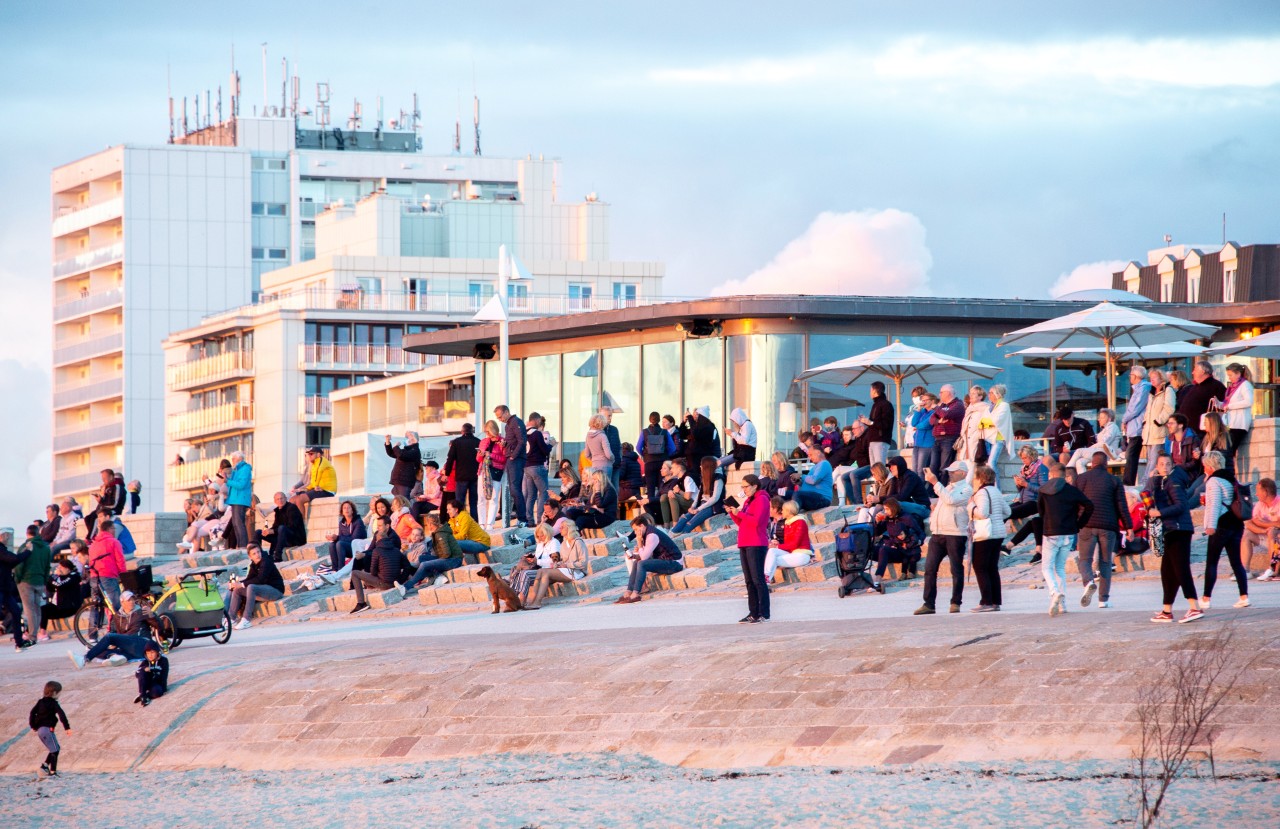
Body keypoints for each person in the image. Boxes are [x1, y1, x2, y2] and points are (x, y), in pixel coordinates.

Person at [1147, 454, 1203, 623]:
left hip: (1179, 529)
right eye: (1161, 464)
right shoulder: (1162, 480)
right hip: (1171, 530)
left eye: (1168, 464)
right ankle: (1167, 610)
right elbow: (1147, 491)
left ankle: (1194, 607)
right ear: (1156, 466)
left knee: (1181, 569)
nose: (1165, 466)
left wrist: (1160, 513)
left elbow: (1181, 505)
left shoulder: (1174, 481)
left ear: (1172, 466)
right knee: (1167, 571)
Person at [914, 461, 973, 615]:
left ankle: (955, 602)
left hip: (955, 534)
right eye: (950, 471)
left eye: (954, 471)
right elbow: (945, 501)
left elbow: (951, 500)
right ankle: (929, 603)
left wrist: (934, 482)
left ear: (963, 473)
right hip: (938, 533)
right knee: (929, 569)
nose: (950, 473)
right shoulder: (947, 487)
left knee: (956, 569)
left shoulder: (967, 489)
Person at [1076, 452, 1131, 610]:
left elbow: (1075, 502)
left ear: (1091, 463)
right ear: (1106, 464)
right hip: (1108, 526)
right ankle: (1103, 600)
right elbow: (1122, 506)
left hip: (1086, 524)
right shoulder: (1114, 480)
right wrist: (1129, 527)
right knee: (1105, 563)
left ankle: (1089, 582)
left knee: (1085, 560)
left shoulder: (1081, 479)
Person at [1038, 462, 1093, 617]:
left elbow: (1040, 511)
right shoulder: (1072, 490)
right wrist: (1079, 524)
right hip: (1068, 533)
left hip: (1050, 532)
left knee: (1046, 568)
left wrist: (1047, 522)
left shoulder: (1043, 490)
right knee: (1060, 568)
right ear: (1064, 475)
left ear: (1051, 474)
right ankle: (1062, 605)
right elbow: (1089, 506)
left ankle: (1055, 592)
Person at [1200, 451, 1249, 610]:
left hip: (1222, 524)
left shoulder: (1214, 481)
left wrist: (1210, 526)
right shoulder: (1231, 478)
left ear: (1209, 466)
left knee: (1212, 561)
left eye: (1204, 466)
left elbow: (1214, 505)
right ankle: (1244, 596)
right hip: (1236, 524)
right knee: (1236, 562)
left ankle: (1206, 598)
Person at [69, 589, 157, 667]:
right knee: (98, 650)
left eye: (133, 599)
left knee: (109, 637)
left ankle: (84, 659)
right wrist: (114, 644)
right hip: (129, 648)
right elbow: (115, 632)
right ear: (122, 603)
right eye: (128, 600)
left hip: (142, 643)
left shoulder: (142, 611)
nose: (132, 602)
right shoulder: (117, 616)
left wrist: (152, 615)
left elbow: (160, 627)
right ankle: (118, 656)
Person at [728, 474, 770, 623]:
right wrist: (733, 514)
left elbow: (756, 522)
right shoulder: (748, 501)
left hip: (757, 542)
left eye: (746, 486)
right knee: (749, 581)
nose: (744, 489)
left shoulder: (762, 499)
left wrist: (739, 513)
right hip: (745, 542)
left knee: (757, 579)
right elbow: (743, 523)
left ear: (754, 486)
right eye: (743, 487)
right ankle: (753, 612)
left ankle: (763, 612)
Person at [614, 514, 684, 605]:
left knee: (641, 564)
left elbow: (644, 558)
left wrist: (639, 542)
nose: (635, 533)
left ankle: (635, 594)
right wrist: (635, 556)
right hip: (665, 561)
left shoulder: (652, 535)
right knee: (636, 562)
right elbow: (647, 555)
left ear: (642, 526)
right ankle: (629, 591)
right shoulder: (647, 533)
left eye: (635, 529)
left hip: (674, 563)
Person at [968, 465, 1011, 612]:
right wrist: (997, 518)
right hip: (998, 533)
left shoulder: (981, 493)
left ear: (980, 478)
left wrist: (971, 507)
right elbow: (1008, 511)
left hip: (986, 534)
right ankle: (995, 601)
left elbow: (983, 513)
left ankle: (986, 601)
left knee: (980, 567)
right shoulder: (996, 491)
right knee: (992, 568)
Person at [524, 522, 589, 610]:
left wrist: (566, 565)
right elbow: (562, 560)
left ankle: (537, 602)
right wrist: (557, 564)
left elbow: (583, 562)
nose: (560, 529)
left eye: (562, 527)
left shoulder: (578, 542)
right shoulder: (564, 543)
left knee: (545, 573)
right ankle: (531, 600)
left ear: (569, 529)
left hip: (577, 571)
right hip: (565, 570)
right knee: (540, 571)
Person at [349, 518, 407, 614]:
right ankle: (354, 585)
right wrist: (400, 580)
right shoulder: (395, 550)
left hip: (384, 581)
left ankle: (361, 603)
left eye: (380, 525)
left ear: (387, 526)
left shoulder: (394, 539)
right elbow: (407, 567)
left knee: (355, 573)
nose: (378, 528)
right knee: (359, 558)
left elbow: (373, 572)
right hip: (394, 580)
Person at [397, 513, 464, 595]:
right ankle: (437, 576)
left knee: (425, 565)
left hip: (454, 560)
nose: (427, 526)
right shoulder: (437, 532)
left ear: (431, 524)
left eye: (427, 524)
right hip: (449, 558)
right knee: (423, 558)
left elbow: (446, 553)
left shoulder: (440, 534)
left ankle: (405, 587)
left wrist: (436, 560)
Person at [867, 498, 925, 592]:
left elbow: (921, 533)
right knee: (869, 549)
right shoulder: (887, 519)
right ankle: (859, 577)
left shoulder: (906, 518)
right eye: (884, 509)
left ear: (893, 508)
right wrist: (877, 522)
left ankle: (877, 580)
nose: (885, 511)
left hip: (905, 551)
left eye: (887, 509)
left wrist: (916, 542)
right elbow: (877, 533)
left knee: (884, 550)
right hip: (893, 548)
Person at [1003, 445, 1048, 561]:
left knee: (1009, 512)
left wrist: (1026, 484)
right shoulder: (1024, 469)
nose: (1023, 460)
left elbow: (1043, 489)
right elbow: (1021, 490)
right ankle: (996, 536)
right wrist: (1018, 484)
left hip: (1035, 502)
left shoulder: (1041, 468)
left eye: (1025, 458)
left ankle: (998, 540)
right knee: (1003, 510)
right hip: (1023, 500)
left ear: (1032, 456)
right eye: (1022, 458)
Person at [228, 545, 285, 630]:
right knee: (237, 590)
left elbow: (260, 579)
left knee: (251, 587)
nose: (257, 555)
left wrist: (242, 584)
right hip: (263, 591)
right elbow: (249, 579)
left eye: (258, 552)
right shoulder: (253, 565)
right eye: (254, 554)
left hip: (276, 591)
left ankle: (246, 619)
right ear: (250, 556)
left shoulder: (266, 562)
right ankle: (231, 619)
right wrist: (237, 584)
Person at [87, 519, 127, 633]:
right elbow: (120, 561)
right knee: (116, 606)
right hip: (108, 576)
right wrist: (123, 575)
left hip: (94, 577)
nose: (115, 531)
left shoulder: (93, 544)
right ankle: (115, 633)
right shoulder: (113, 542)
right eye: (114, 528)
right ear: (109, 529)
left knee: (95, 605)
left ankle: (92, 636)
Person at [15, 524, 52, 645]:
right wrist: (45, 579)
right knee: (37, 608)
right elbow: (47, 566)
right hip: (40, 581)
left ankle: (32, 635)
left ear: (27, 534)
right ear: (38, 533)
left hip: (26, 581)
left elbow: (19, 565)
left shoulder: (25, 546)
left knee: (29, 609)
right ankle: (35, 633)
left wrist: (17, 579)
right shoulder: (46, 548)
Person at [495, 405, 529, 527]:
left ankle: (523, 519)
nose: (500, 419)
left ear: (506, 412)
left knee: (515, 489)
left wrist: (513, 455)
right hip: (511, 458)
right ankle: (521, 518)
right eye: (498, 418)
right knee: (513, 490)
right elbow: (516, 441)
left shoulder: (515, 422)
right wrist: (505, 444)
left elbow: (522, 441)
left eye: (500, 416)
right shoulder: (509, 424)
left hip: (515, 459)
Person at [765, 500, 813, 584]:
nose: (781, 511)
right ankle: (766, 579)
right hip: (792, 553)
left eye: (783, 509)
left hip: (801, 555)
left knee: (772, 560)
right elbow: (788, 542)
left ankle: (765, 581)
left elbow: (795, 544)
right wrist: (777, 544)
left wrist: (777, 547)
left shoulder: (800, 522)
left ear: (789, 511)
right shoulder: (788, 523)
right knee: (772, 552)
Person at [29, 680, 71, 778]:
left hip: (40, 730)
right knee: (55, 750)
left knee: (55, 749)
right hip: (47, 730)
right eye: (60, 693)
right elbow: (62, 715)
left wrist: (33, 726)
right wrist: (67, 727)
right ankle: (53, 772)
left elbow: (32, 713)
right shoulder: (54, 703)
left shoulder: (40, 702)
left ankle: (45, 765)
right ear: (55, 693)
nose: (60, 695)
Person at [0, 528, 33, 651]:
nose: (9, 538)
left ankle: (19, 642)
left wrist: (24, 553)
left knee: (16, 612)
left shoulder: (3, 550)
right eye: (7, 536)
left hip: (5, 588)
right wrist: (28, 552)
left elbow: (11, 562)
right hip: (1, 588)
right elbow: (14, 559)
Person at [672, 458, 725, 533]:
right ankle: (672, 534)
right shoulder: (704, 477)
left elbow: (714, 498)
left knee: (690, 523)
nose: (700, 467)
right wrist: (692, 507)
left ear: (707, 467)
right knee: (684, 518)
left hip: (713, 506)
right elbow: (699, 495)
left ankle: (681, 538)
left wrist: (698, 509)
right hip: (701, 504)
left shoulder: (718, 478)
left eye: (702, 465)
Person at [1142, 369, 1176, 481]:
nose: (1151, 379)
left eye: (1154, 377)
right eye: (1150, 377)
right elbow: (1148, 410)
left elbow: (1169, 408)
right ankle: (1148, 482)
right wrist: (1145, 422)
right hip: (1149, 432)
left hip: (1159, 431)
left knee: (1154, 460)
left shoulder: (1168, 390)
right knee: (1150, 459)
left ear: (1161, 378)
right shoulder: (1152, 393)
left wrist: (1159, 421)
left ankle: (1146, 483)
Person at [1244, 478, 1280, 581]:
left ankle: (1273, 570)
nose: (1256, 494)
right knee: (1246, 533)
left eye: (1258, 490)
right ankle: (1245, 571)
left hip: (1276, 538)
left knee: (1273, 532)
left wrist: (1264, 524)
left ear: (1266, 492)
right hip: (1265, 535)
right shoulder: (1260, 504)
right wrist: (1265, 529)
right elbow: (1252, 522)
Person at [1066, 408, 1123, 474]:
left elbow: (1104, 442)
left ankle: (1066, 473)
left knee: (1079, 451)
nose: (1099, 419)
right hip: (1099, 452)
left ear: (1109, 419)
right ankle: (1082, 480)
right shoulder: (1104, 430)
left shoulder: (1112, 427)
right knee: (1079, 462)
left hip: (1107, 453)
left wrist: (1089, 448)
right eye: (1099, 417)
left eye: (1102, 418)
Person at [1177, 360, 1228, 433]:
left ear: (1203, 371)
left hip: (1202, 430)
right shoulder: (1196, 386)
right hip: (1188, 429)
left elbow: (1223, 406)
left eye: (1195, 370)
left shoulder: (1216, 386)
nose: (1192, 372)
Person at [638, 411, 676, 510]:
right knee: (662, 488)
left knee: (650, 489)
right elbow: (672, 448)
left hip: (649, 463)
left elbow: (638, 447)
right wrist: (666, 455)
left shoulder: (644, 432)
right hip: (662, 463)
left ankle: (651, 514)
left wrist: (646, 456)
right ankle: (661, 512)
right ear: (659, 420)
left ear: (650, 420)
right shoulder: (664, 432)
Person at [444, 422, 482, 518]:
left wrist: (446, 473)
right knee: (474, 502)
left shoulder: (457, 442)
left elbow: (450, 458)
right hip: (475, 475)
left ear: (462, 431)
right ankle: (474, 523)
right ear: (472, 431)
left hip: (461, 476)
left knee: (460, 502)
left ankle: (460, 522)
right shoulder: (478, 441)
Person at [1121, 366, 1151, 486]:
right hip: (1134, 428)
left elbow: (1135, 408)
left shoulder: (1143, 388)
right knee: (1130, 456)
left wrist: (1124, 419)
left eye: (1130, 375)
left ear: (1136, 376)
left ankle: (1128, 483)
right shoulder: (1139, 389)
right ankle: (1128, 482)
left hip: (1138, 428)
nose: (1129, 377)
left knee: (1131, 456)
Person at [1217, 363, 1254, 458]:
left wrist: (1230, 406)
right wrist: (1218, 403)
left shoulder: (1245, 385)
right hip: (1232, 423)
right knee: (1227, 450)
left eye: (1230, 375)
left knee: (1229, 451)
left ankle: (1229, 470)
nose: (1229, 378)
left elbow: (1248, 401)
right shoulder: (1232, 387)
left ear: (1238, 374)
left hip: (1239, 423)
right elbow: (1227, 405)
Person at [39, 559, 81, 640]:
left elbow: (59, 585)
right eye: (59, 567)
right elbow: (50, 588)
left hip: (69, 607)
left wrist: (52, 577)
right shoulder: (60, 577)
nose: (59, 569)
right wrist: (52, 578)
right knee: (40, 611)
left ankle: (42, 633)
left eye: (61, 567)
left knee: (43, 611)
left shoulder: (74, 576)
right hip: (59, 605)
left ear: (68, 569)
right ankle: (29, 632)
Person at [524, 412, 555, 521]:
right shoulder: (537, 434)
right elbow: (545, 450)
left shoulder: (524, 433)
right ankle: (540, 519)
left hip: (527, 467)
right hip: (537, 466)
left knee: (531, 496)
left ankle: (529, 519)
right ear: (536, 421)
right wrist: (551, 444)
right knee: (543, 493)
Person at [929, 384, 965, 475]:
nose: (939, 394)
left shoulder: (958, 405)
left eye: (941, 392)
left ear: (948, 393)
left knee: (944, 467)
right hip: (937, 439)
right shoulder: (942, 406)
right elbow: (932, 419)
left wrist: (936, 408)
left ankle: (943, 488)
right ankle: (933, 488)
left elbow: (946, 415)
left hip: (949, 438)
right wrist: (939, 421)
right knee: (933, 467)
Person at [478, 420, 508, 530]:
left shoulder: (502, 442)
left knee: (494, 498)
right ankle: (481, 523)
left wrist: (491, 455)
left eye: (488, 431)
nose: (487, 434)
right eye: (486, 432)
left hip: (496, 470)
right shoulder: (484, 441)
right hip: (483, 470)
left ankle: (490, 523)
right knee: (481, 498)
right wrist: (482, 452)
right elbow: (478, 459)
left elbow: (504, 459)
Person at [289, 447, 337, 513]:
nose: (309, 456)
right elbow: (312, 483)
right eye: (308, 454)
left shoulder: (321, 461)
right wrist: (301, 489)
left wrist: (316, 486)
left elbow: (318, 473)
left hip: (327, 490)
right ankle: (293, 521)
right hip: (320, 489)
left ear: (318, 455)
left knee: (300, 499)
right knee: (293, 499)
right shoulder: (314, 464)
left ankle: (301, 523)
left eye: (311, 454)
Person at [261, 492, 306, 561]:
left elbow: (292, 526)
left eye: (281, 498)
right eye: (278, 499)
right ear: (275, 501)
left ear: (286, 498)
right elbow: (276, 526)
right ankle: (259, 557)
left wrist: (274, 531)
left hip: (296, 539)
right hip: (283, 537)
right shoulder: (278, 511)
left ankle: (277, 556)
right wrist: (268, 531)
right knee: (258, 533)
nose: (280, 501)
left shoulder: (292, 508)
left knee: (282, 528)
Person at [84, 468, 126, 540]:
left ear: (111, 477)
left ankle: (89, 538)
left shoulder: (117, 487)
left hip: (113, 510)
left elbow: (114, 504)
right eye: (102, 478)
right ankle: (93, 536)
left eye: (105, 478)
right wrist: (100, 498)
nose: (103, 480)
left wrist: (101, 502)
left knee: (95, 517)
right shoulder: (108, 487)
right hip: (104, 509)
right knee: (87, 518)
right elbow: (105, 501)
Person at [959, 385, 992, 476]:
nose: (971, 395)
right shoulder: (969, 409)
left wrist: (978, 433)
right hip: (966, 444)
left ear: (980, 397)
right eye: (970, 393)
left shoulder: (985, 408)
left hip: (976, 441)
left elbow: (988, 424)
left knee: (971, 467)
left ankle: (967, 487)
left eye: (974, 393)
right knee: (965, 467)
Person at [861, 382, 896, 465]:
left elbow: (885, 424)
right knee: (874, 468)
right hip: (873, 439)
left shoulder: (886, 405)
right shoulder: (875, 405)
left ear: (874, 390)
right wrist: (867, 422)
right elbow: (874, 422)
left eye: (870, 390)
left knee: (880, 466)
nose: (870, 393)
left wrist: (870, 422)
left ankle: (883, 478)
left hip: (881, 439)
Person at [983, 384, 1013, 476]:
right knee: (987, 464)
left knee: (992, 463)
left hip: (998, 438)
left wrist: (986, 422)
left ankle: (997, 488)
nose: (989, 395)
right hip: (987, 438)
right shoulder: (989, 407)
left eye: (991, 393)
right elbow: (981, 422)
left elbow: (996, 420)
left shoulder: (1004, 405)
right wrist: (987, 422)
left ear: (998, 394)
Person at [225, 450, 254, 550]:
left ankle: (243, 545)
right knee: (235, 523)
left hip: (240, 499)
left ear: (239, 459)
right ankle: (240, 544)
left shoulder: (245, 469)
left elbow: (241, 485)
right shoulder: (236, 469)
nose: (232, 461)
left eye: (233, 459)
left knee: (239, 523)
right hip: (235, 499)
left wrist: (228, 481)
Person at [660, 459, 699, 527]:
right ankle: (666, 526)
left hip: (694, 504)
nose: (671, 470)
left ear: (679, 468)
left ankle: (676, 525)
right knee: (663, 497)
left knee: (673, 497)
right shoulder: (679, 479)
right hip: (686, 503)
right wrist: (671, 491)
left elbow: (688, 497)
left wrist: (678, 491)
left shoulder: (688, 478)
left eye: (673, 468)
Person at [907, 391, 937, 477]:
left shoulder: (934, 412)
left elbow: (927, 424)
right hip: (917, 443)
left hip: (927, 444)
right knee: (914, 469)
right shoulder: (922, 411)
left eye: (925, 400)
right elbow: (913, 423)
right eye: (922, 400)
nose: (923, 402)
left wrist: (918, 426)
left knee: (921, 469)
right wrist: (918, 410)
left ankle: (922, 488)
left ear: (932, 401)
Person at [796, 444, 834, 511]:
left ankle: (794, 517)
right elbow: (808, 481)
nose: (810, 458)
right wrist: (799, 482)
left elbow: (814, 480)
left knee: (797, 495)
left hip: (822, 498)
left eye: (811, 455)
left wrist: (801, 476)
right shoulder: (816, 466)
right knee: (786, 494)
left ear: (818, 452)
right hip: (815, 496)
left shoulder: (824, 464)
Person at [385, 431, 422, 498]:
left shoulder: (415, 450)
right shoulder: (406, 450)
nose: (406, 439)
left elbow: (401, 455)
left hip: (405, 482)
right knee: (398, 503)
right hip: (398, 480)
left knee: (404, 502)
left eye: (408, 437)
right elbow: (391, 453)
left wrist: (396, 446)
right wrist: (387, 441)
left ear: (414, 439)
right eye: (406, 437)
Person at [681, 406, 717, 472]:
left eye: (697, 414)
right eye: (693, 414)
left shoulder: (708, 426)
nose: (694, 416)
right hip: (691, 457)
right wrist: (684, 422)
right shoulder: (695, 427)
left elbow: (696, 434)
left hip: (701, 457)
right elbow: (682, 434)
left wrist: (690, 418)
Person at [135, 641, 169, 706]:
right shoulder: (145, 662)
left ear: (157, 652)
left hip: (156, 683)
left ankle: (146, 695)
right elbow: (137, 673)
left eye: (152, 652)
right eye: (148, 653)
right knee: (142, 672)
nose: (150, 655)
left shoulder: (163, 661)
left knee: (157, 692)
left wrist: (164, 689)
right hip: (147, 683)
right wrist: (144, 669)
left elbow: (164, 675)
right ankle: (143, 695)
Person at [584, 413, 615, 485]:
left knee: (598, 488)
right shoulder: (602, 436)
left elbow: (587, 454)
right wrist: (613, 459)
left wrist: (594, 459)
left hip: (594, 466)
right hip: (606, 465)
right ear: (602, 423)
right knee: (607, 488)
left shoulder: (588, 436)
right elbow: (608, 454)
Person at [598, 406, 624, 492]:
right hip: (604, 465)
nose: (610, 418)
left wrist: (620, 458)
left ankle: (614, 506)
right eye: (608, 416)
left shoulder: (614, 429)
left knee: (615, 490)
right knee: (604, 490)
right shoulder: (597, 430)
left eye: (611, 416)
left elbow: (619, 445)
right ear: (601, 416)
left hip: (615, 464)